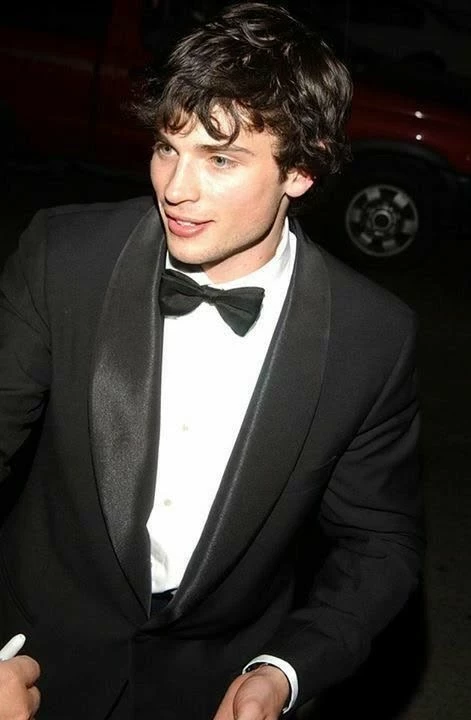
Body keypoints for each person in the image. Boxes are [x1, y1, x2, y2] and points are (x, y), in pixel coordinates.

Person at [0, 3, 423, 718]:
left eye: (219, 159)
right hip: (29, 661)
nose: (175, 187)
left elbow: (380, 544)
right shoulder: (63, 258)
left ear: (302, 170)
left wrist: (284, 671)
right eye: (168, 147)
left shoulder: (371, 338)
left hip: (212, 689)